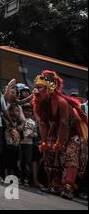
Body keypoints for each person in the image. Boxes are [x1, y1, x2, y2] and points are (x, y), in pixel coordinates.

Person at [32, 70, 88, 199]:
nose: (35, 91)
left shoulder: (62, 103)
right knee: (50, 153)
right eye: (35, 87)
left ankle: (68, 187)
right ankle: (55, 184)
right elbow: (42, 124)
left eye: (39, 88)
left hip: (74, 131)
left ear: (49, 89)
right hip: (56, 129)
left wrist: (60, 144)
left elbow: (65, 125)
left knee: (70, 155)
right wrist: (44, 142)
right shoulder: (38, 104)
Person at [19, 103, 38, 186]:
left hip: (29, 144)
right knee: (20, 161)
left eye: (30, 111)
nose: (28, 113)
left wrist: (33, 135)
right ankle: (19, 178)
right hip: (20, 143)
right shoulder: (21, 120)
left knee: (27, 162)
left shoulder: (33, 122)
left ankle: (26, 179)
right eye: (26, 111)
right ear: (22, 111)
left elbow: (36, 133)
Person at [4, 104, 22, 178]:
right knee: (6, 161)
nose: (18, 112)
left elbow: (21, 135)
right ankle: (5, 175)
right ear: (10, 112)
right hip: (8, 143)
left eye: (19, 111)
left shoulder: (19, 122)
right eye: (16, 110)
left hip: (16, 145)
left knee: (14, 162)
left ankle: (11, 177)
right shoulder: (8, 120)